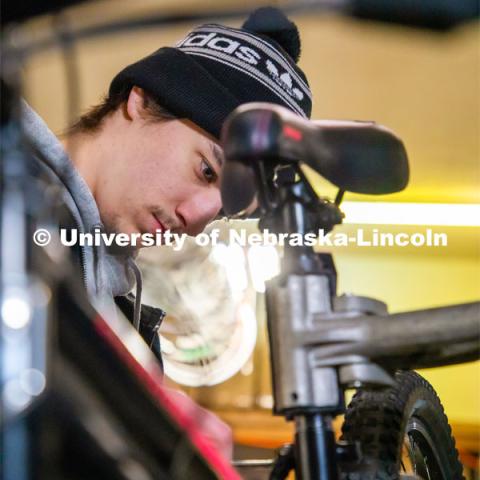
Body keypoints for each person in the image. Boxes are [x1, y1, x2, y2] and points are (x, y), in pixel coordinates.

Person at [22, 6, 312, 459]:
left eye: (225, 211)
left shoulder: (126, 320)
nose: (196, 218)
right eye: (205, 170)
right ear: (141, 100)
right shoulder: (15, 197)